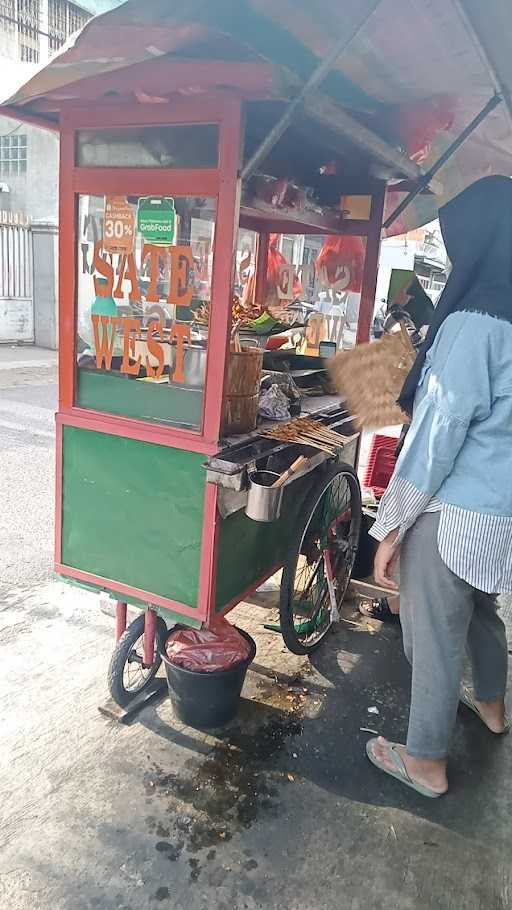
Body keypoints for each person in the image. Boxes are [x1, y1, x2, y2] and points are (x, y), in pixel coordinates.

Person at [366, 176, 512, 798]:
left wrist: (391, 527)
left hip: (454, 517)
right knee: (482, 613)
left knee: (431, 634)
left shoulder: (474, 325)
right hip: (500, 514)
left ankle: (425, 760)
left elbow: (434, 441)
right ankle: (494, 707)